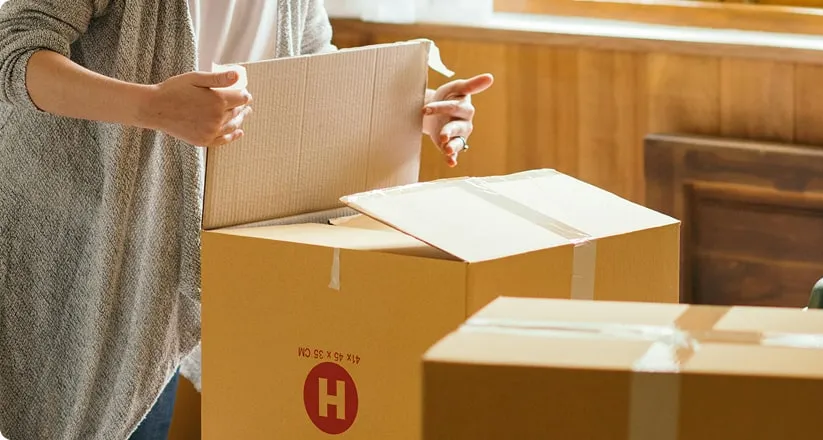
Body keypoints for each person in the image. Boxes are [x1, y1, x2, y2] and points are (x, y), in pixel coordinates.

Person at [0, 0, 493, 439]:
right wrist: (153, 107)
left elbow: (314, 70)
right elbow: (12, 52)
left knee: (143, 409)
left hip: (186, 252)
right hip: (78, 244)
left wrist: (414, 111)